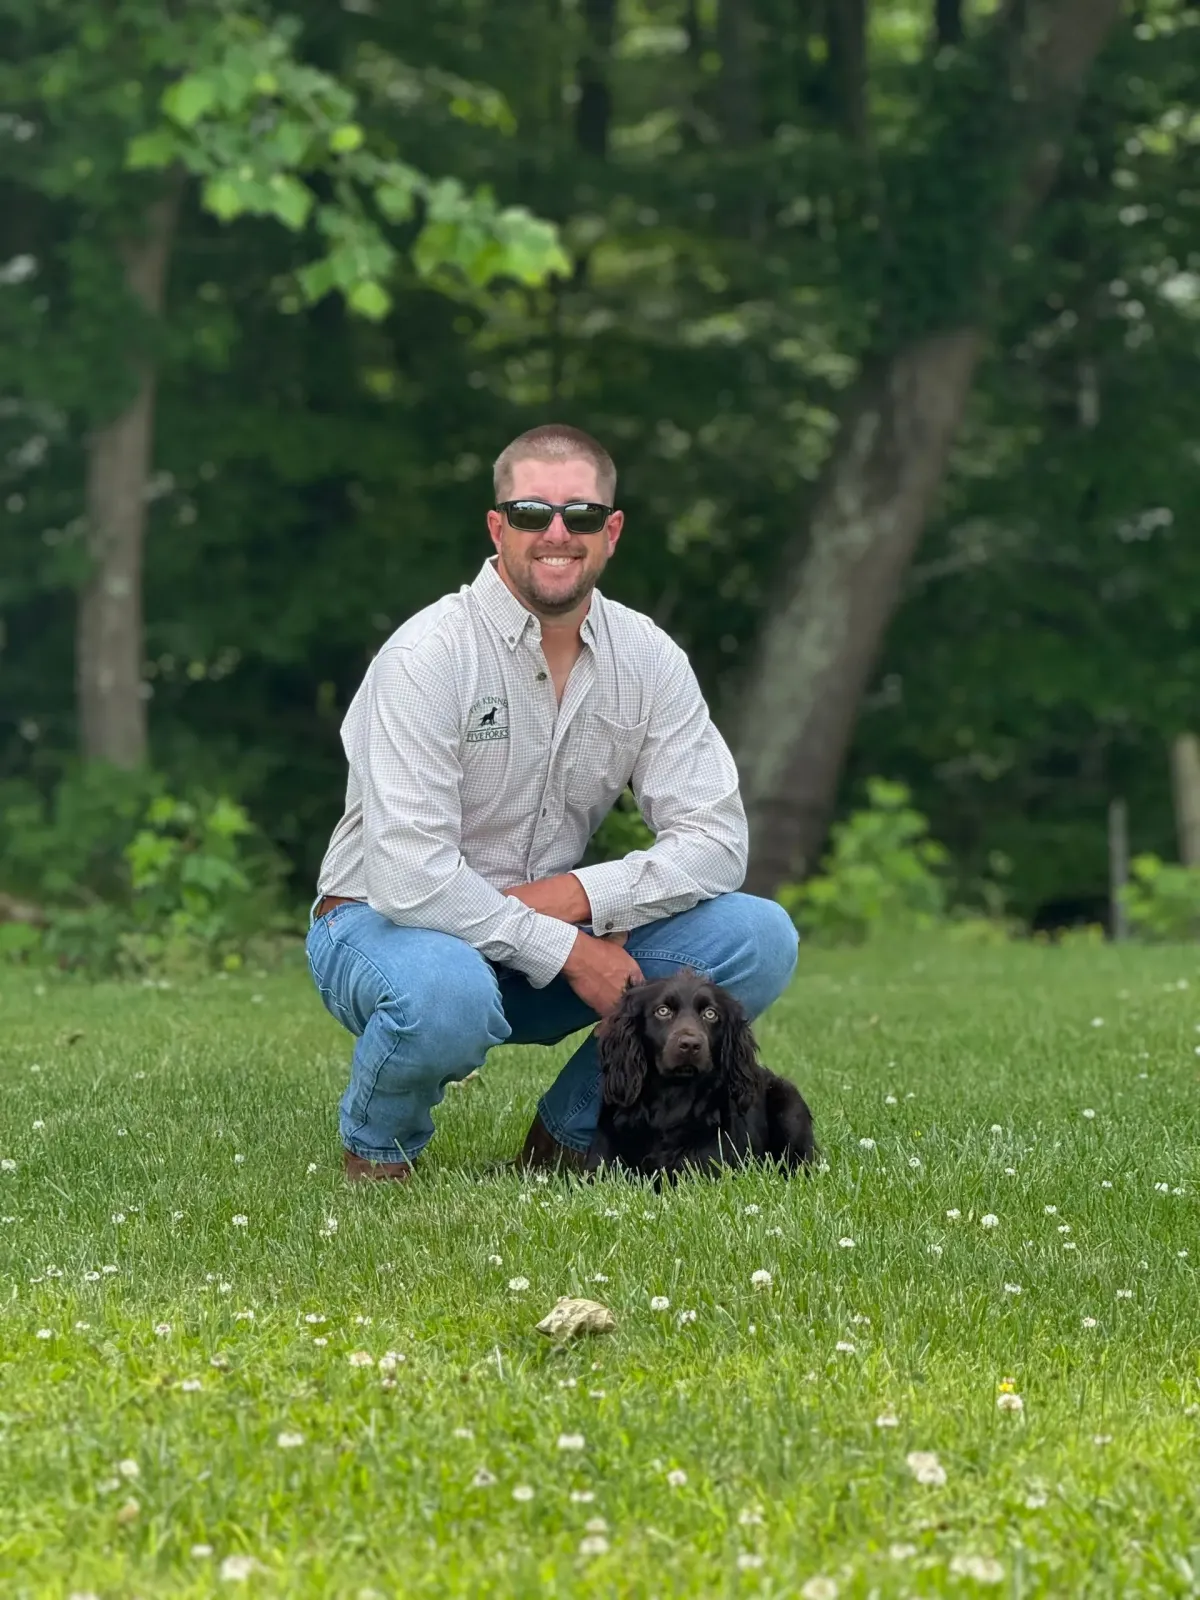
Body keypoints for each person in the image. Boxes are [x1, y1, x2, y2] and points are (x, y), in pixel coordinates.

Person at [306, 423, 799, 1181]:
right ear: (498, 527)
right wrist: (568, 949)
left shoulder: (649, 658)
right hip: (388, 930)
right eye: (533, 512)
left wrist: (577, 897)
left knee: (757, 936)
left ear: (613, 532)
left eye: (582, 515)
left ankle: (567, 1141)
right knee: (445, 990)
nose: (558, 533)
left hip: (540, 930)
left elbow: (717, 840)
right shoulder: (425, 658)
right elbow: (409, 877)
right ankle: (378, 1151)